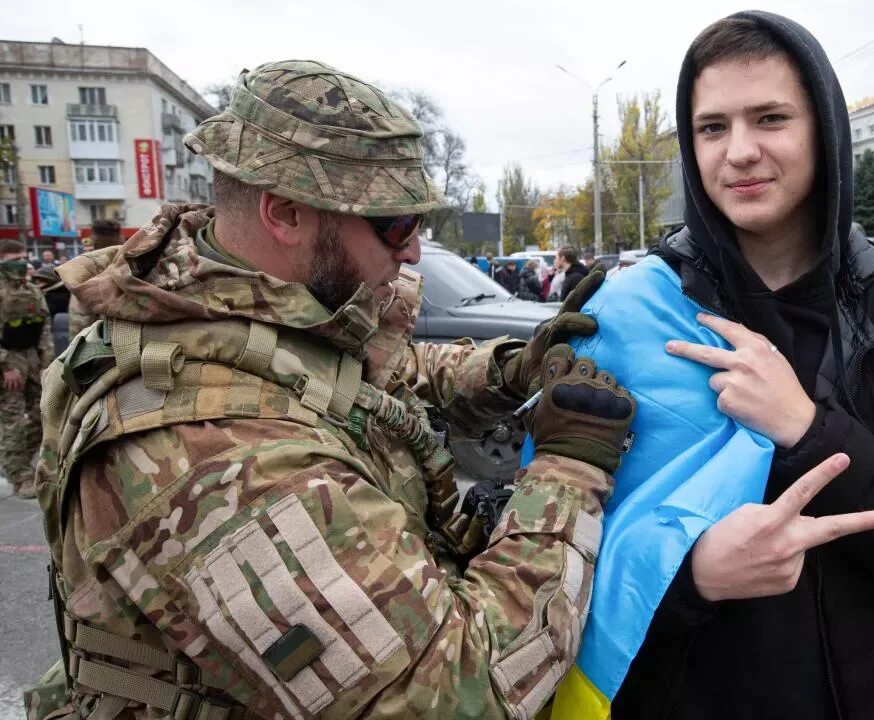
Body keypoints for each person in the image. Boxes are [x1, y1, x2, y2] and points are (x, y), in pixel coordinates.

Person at [25, 60, 635, 720]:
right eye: (395, 224)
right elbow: (457, 695)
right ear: (284, 213)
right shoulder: (216, 457)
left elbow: (372, 378)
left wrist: (510, 368)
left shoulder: (239, 309)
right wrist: (569, 473)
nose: (412, 253)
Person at [611, 14, 874, 719]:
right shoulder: (629, 317)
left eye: (770, 118)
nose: (741, 152)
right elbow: (557, 557)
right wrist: (690, 578)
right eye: (713, 127)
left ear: (824, 129)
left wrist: (809, 429)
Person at [0, 241, 51, 500]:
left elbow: (44, 327)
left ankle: (18, 460)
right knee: (13, 421)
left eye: (23, 257)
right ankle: (19, 476)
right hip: (8, 360)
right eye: (14, 258)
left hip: (31, 357)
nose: (21, 262)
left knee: (42, 413)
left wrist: (46, 363)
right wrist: (5, 366)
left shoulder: (32, 290)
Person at [67, 219, 126, 336]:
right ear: (120, 240)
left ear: (94, 241)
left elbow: (79, 322)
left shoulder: (85, 271)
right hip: (133, 344)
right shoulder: (134, 265)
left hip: (99, 344)